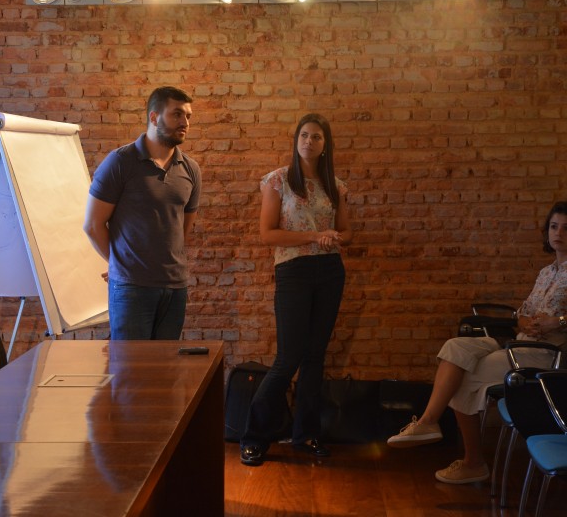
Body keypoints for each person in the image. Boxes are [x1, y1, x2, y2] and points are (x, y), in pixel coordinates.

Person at [387, 200, 567, 484]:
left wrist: (557, 322)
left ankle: (473, 462)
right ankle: (427, 423)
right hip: (520, 342)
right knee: (455, 348)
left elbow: (558, 320)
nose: (559, 233)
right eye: (554, 227)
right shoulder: (546, 273)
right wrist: (524, 320)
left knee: (464, 376)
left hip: (547, 355)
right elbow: (523, 312)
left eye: (566, 228)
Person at [240, 113, 353, 467]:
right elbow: (267, 234)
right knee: (288, 357)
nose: (309, 141)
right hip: (293, 270)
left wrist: (335, 237)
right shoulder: (278, 181)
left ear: (325, 145)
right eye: (304, 135)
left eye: (317, 137)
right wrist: (313, 235)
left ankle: (306, 435)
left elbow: (347, 233)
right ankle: (255, 437)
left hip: (330, 271)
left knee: (315, 356)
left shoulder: (335, 185)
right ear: (296, 140)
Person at [83, 86, 201, 340]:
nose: (185, 122)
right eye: (177, 114)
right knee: (130, 372)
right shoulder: (120, 162)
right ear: (154, 117)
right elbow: (93, 225)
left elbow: (181, 228)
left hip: (175, 287)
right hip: (131, 289)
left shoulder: (191, 169)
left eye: (188, 116)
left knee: (165, 371)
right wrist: (120, 264)